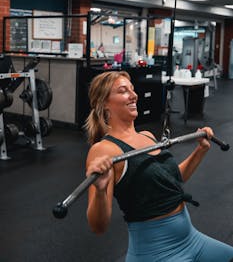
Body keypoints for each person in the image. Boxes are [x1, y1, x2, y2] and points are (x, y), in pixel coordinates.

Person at [85, 71, 233, 262]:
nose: (133, 95)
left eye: (132, 89)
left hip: (192, 239)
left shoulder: (147, 136)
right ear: (104, 103)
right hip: (157, 252)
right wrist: (99, 190)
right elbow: (98, 226)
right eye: (123, 91)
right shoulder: (104, 150)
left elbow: (171, 181)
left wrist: (200, 150)